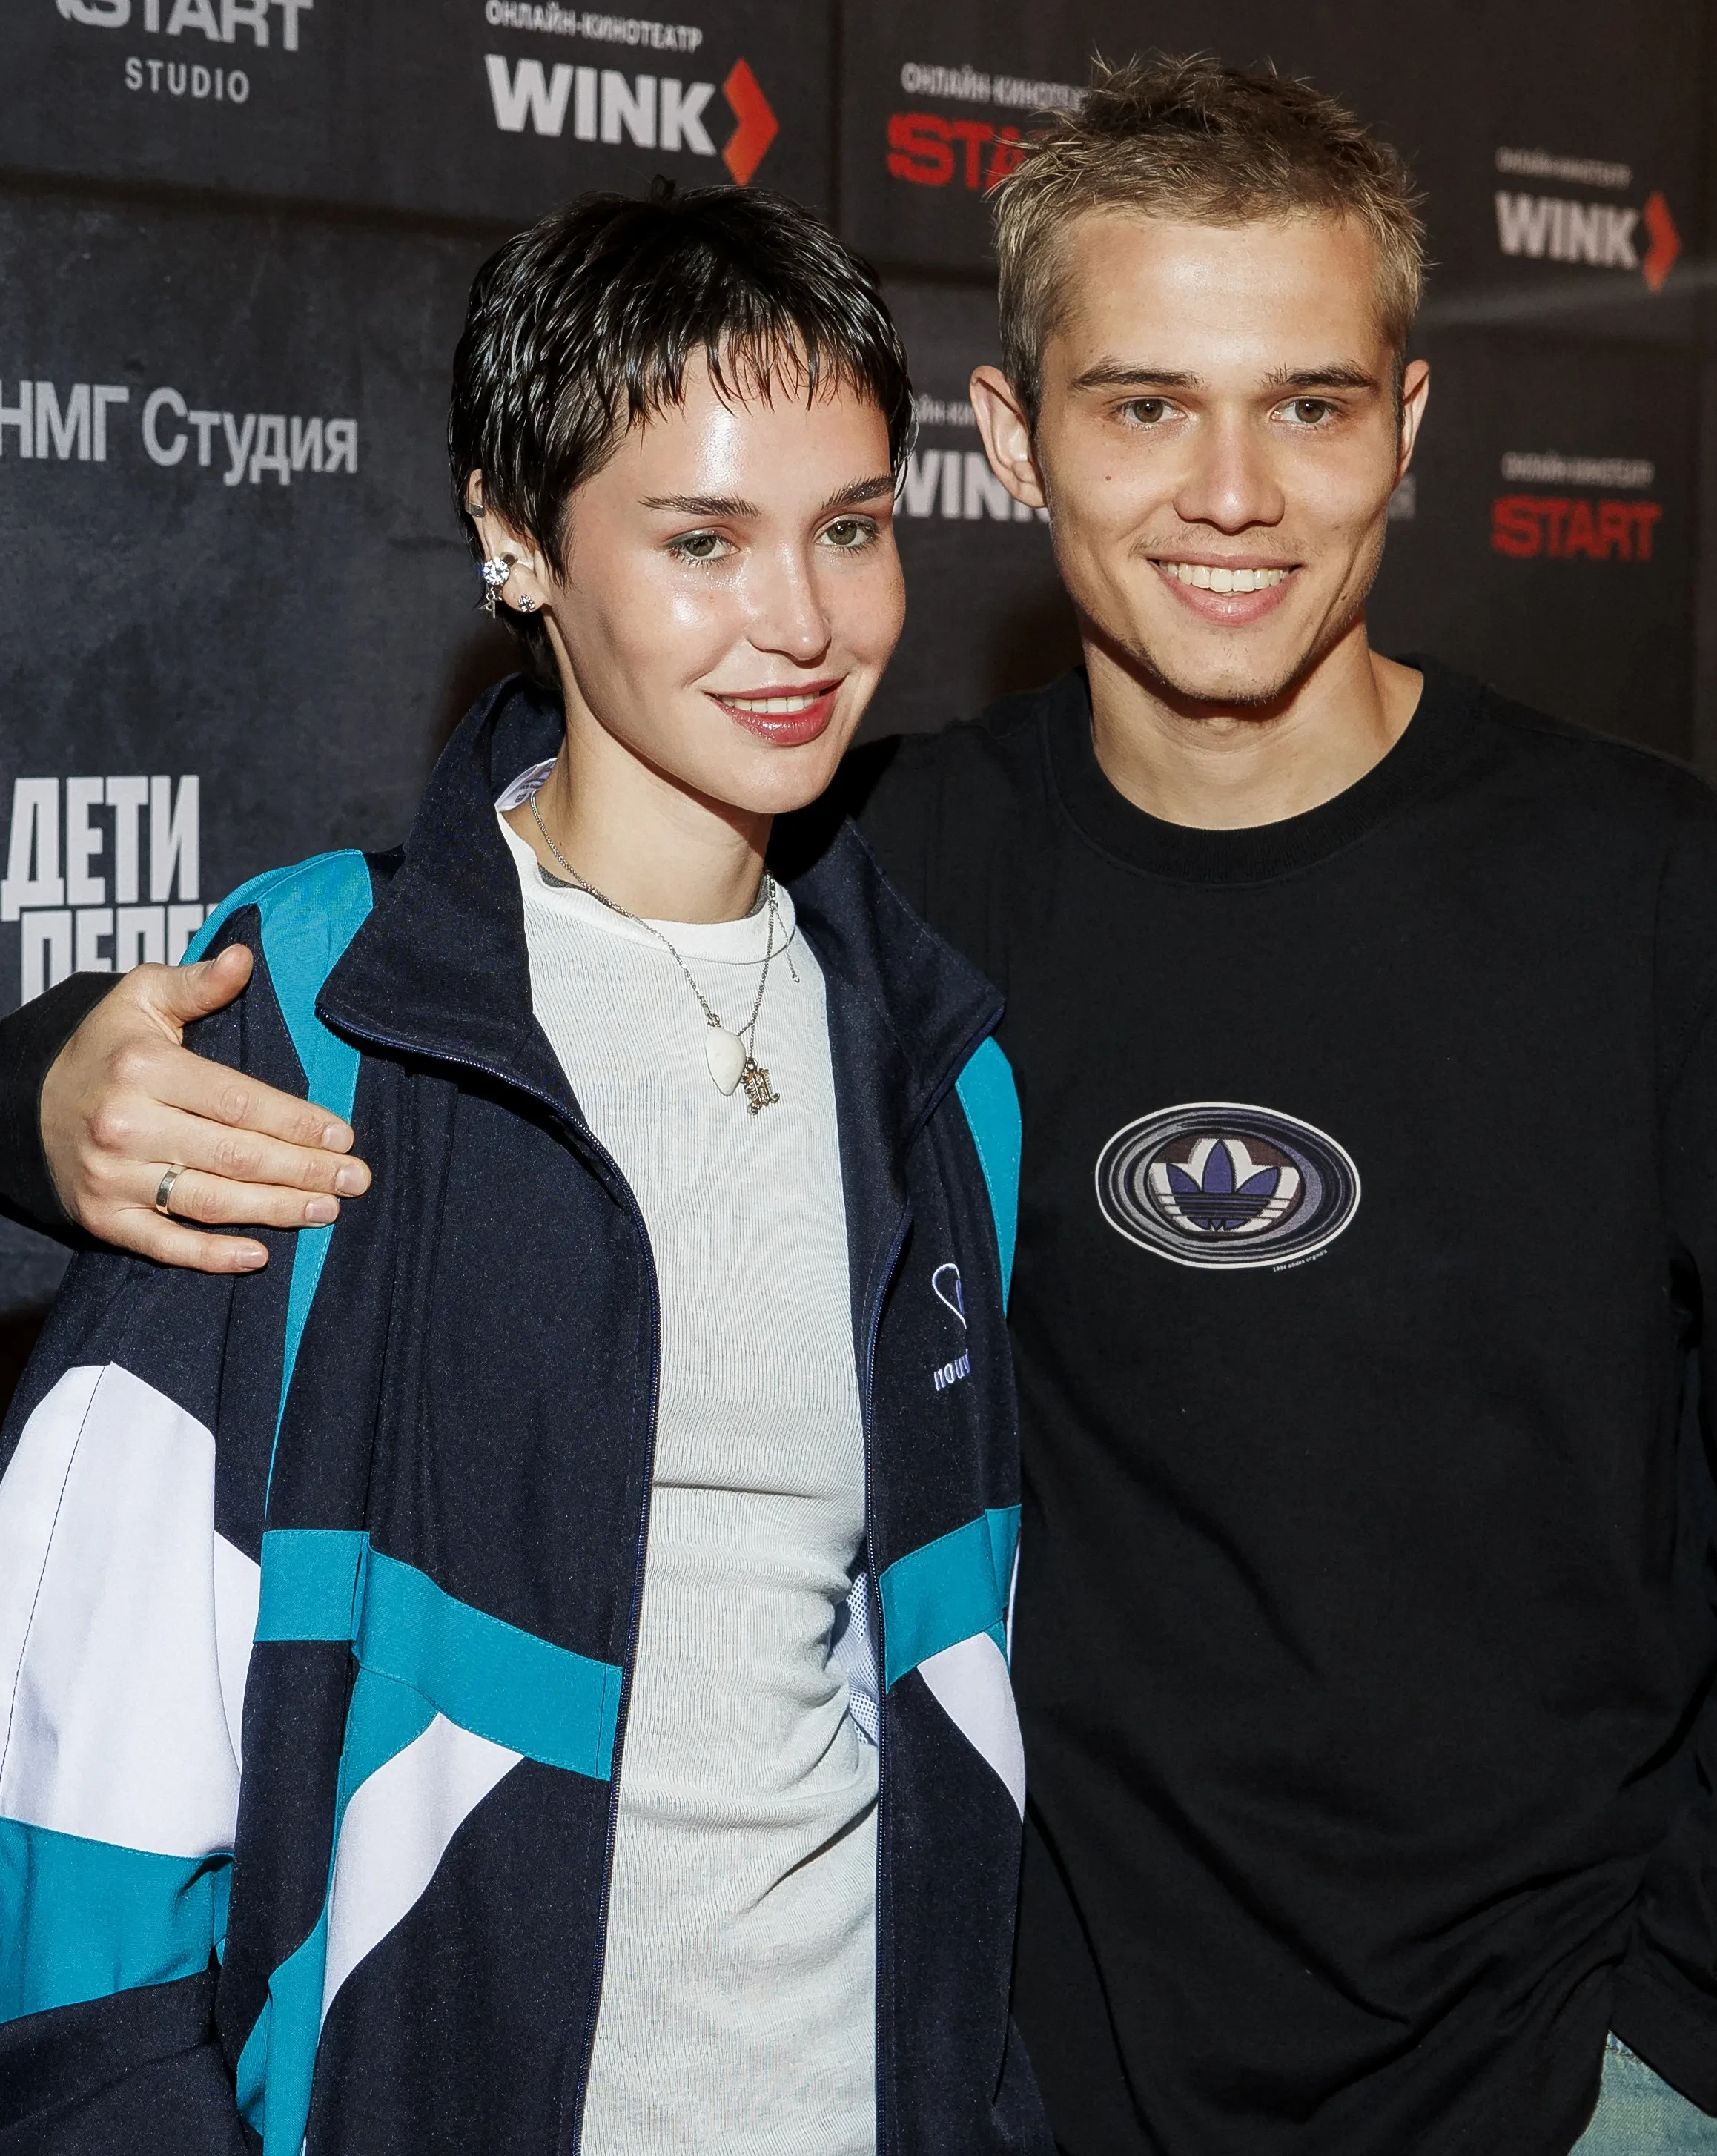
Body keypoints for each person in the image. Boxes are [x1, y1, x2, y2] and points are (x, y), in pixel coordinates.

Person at [7, 56, 1717, 2156]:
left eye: (1310, 405)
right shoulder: (884, 886)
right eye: (1143, 405)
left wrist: (1686, 2049)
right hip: (1041, 2093)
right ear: (1015, 433)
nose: (1231, 492)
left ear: (1409, 425)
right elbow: (485, 938)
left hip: (1550, 2091)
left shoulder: (1664, 907)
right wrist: (46, 1086)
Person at [0, 186, 1047, 2156]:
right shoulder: (325, 1021)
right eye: (701, 540)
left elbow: (942, 1704)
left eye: (849, 525)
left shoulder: (940, 1070)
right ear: (515, 537)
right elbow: (82, 1763)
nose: (803, 621)